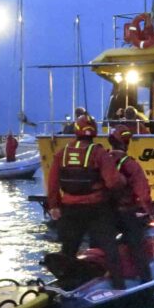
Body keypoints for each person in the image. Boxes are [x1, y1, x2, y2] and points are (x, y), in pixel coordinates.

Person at [46, 114, 127, 289]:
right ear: (94, 132)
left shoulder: (63, 153)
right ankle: (118, 285)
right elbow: (113, 182)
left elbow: (52, 182)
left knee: (68, 249)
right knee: (108, 246)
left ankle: (65, 284)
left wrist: (53, 205)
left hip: (69, 209)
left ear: (76, 130)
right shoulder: (99, 153)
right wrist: (123, 182)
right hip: (97, 208)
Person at [108, 123, 154, 283]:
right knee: (137, 246)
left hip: (103, 212)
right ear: (127, 143)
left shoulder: (102, 160)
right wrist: (151, 213)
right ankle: (146, 281)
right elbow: (143, 192)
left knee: (103, 244)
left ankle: (105, 275)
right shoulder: (130, 164)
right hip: (125, 212)